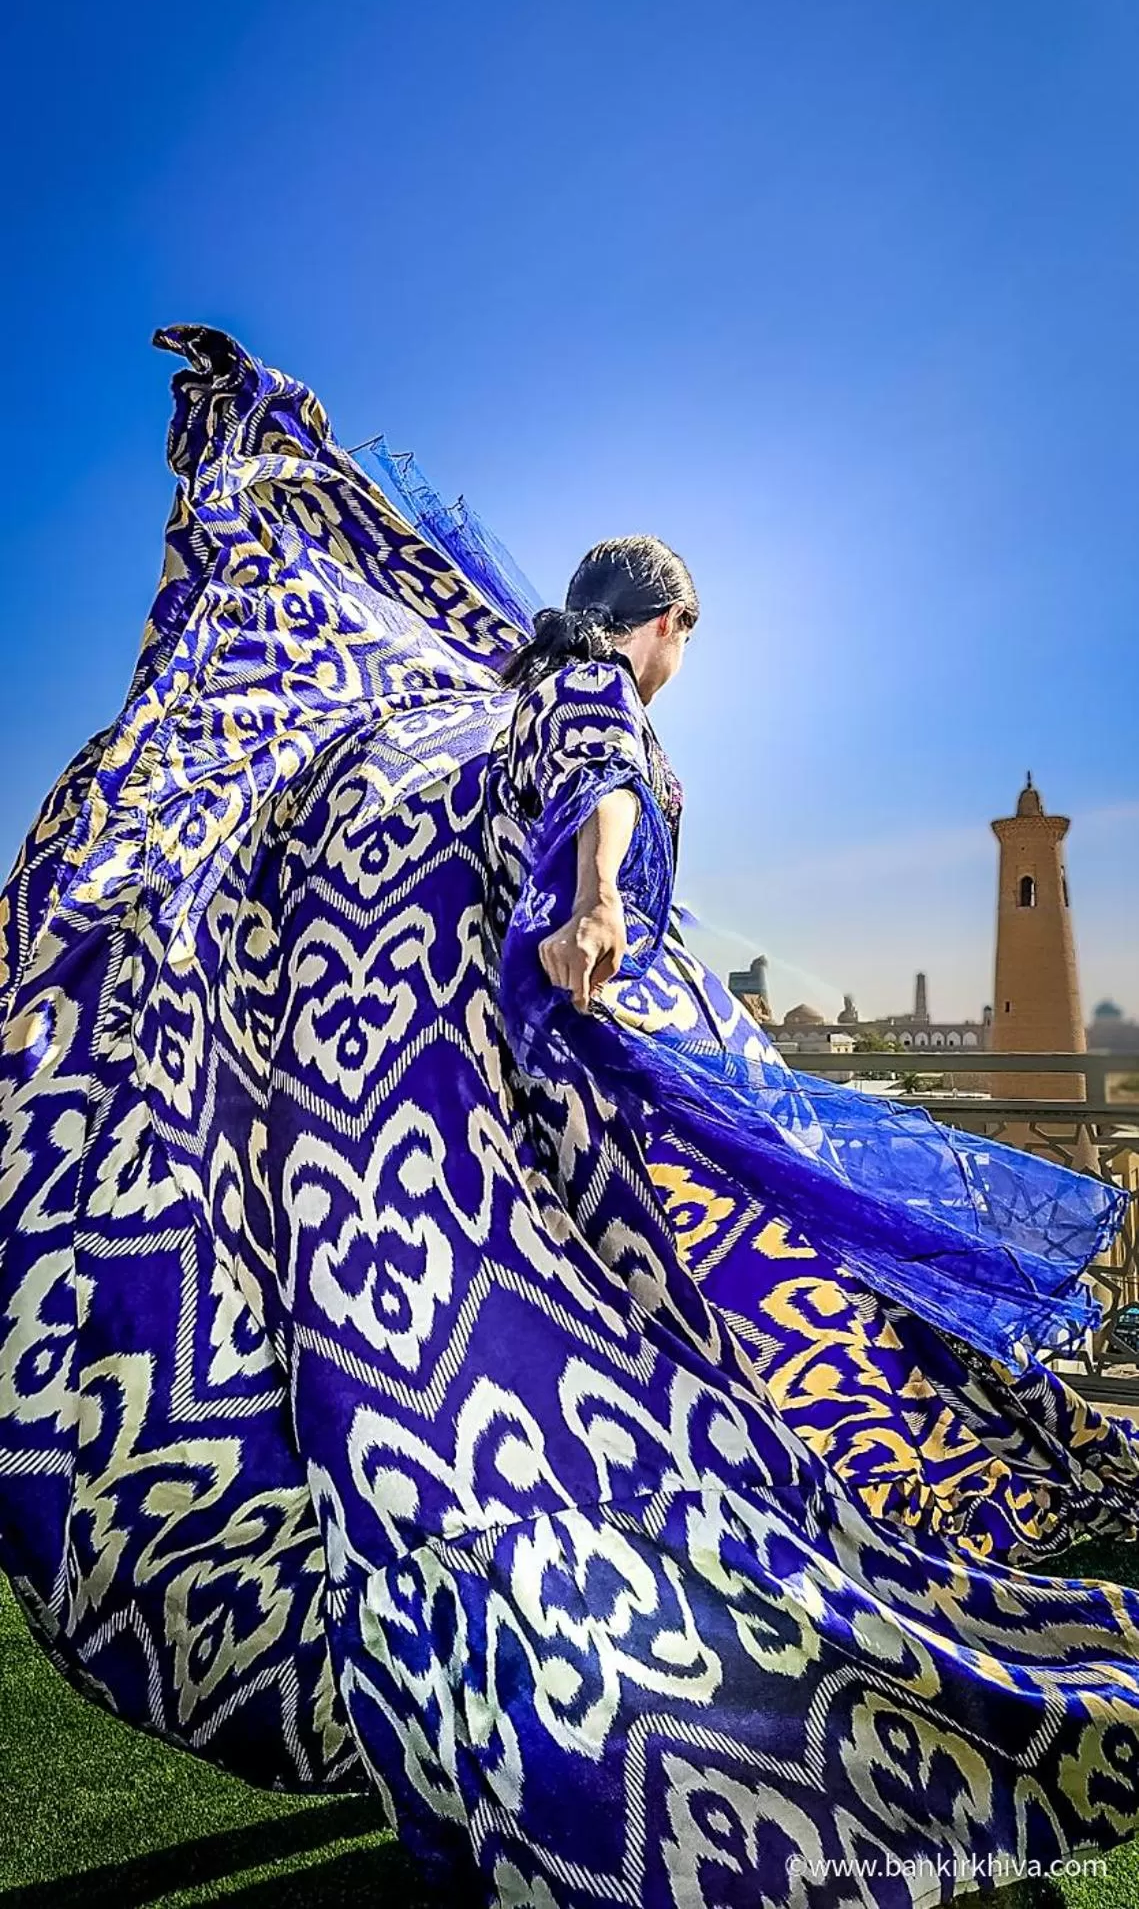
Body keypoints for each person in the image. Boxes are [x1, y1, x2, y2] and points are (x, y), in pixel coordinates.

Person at [2, 323, 1138, 1909]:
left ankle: (498, 1714)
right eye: (683, 636)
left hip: (468, 1144)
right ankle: (665, 1727)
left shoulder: (496, 691)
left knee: (499, 1435)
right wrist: (600, 902)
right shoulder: (595, 694)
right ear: (665, 625)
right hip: (571, 1127)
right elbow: (599, 768)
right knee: (661, 1404)